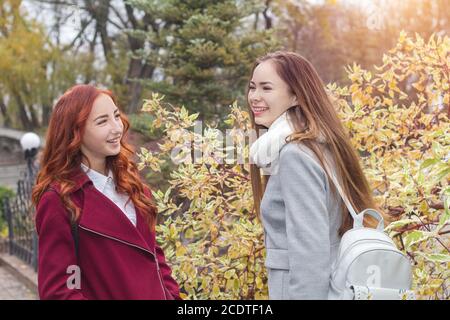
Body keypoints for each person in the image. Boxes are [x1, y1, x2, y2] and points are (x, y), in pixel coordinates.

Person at [248, 51, 379, 299]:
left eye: (266, 88)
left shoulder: (294, 155)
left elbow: (310, 254)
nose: (255, 97)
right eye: (252, 87)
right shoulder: (319, 145)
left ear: (296, 94)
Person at [32, 84, 181, 300]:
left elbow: (155, 259)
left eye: (116, 116)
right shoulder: (60, 200)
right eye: (102, 121)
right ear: (76, 132)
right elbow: (59, 291)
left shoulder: (132, 185)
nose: (117, 128)